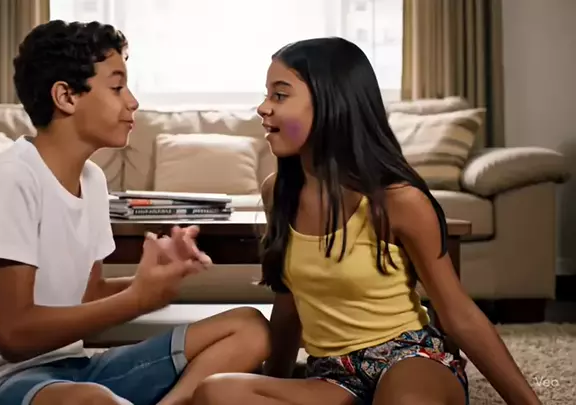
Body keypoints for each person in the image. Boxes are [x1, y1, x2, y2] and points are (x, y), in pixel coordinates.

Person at [190, 37, 542, 405]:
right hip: (332, 377)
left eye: (280, 95)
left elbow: (459, 315)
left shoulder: (398, 200)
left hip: (409, 358)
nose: (263, 108)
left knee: (403, 401)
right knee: (217, 392)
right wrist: (273, 384)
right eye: (267, 95)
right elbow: (290, 301)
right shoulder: (278, 191)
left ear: (330, 103)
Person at [0, 20, 270, 405]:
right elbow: (14, 336)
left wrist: (154, 281)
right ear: (66, 96)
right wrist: (137, 300)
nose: (132, 101)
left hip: (72, 366)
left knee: (250, 327)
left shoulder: (92, 179)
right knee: (93, 401)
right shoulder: (12, 178)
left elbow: (89, 293)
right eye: (117, 87)